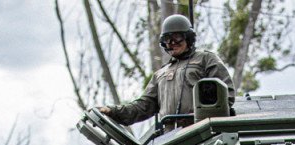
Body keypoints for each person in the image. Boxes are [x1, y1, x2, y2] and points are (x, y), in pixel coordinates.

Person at [98, 14, 235, 130]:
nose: (172, 43)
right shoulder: (160, 74)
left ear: (188, 38)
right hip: (170, 138)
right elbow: (142, 106)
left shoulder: (205, 59)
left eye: (177, 37)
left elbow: (226, 93)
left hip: (202, 132)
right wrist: (112, 111)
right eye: (167, 39)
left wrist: (206, 118)